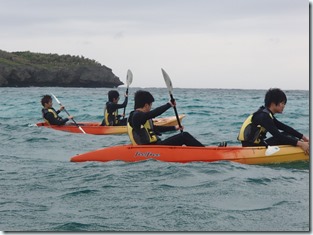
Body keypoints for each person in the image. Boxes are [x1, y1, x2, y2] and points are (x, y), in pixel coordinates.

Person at [238, 88, 309, 154]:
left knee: (287, 134)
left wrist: (303, 137)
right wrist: (301, 144)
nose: (283, 106)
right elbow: (278, 136)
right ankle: (306, 148)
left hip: (257, 145)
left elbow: (285, 128)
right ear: (273, 103)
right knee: (285, 137)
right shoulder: (264, 116)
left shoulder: (266, 114)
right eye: (282, 103)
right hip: (252, 149)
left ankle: (306, 145)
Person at [127, 90, 204, 146]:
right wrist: (169, 105)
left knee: (182, 137)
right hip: (150, 148)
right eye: (150, 105)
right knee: (184, 136)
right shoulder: (136, 116)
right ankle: (205, 151)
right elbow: (154, 113)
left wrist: (174, 127)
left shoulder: (142, 117)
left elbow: (156, 128)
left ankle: (201, 150)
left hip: (155, 145)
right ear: (146, 105)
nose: (150, 108)